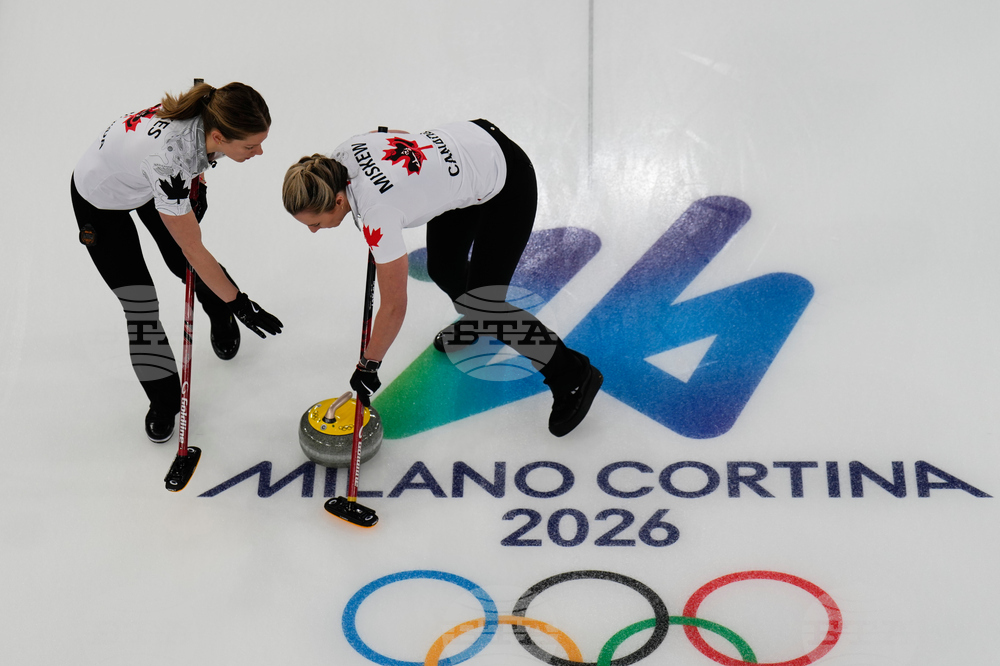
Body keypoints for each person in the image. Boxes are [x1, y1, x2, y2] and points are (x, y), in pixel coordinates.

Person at [281, 119, 601, 437]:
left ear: (338, 201)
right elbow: (402, 138)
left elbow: (394, 306)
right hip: (465, 156)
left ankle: (572, 374)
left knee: (485, 304)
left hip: (507, 180)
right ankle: (478, 321)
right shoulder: (340, 155)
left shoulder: (378, 214)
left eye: (316, 223)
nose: (313, 231)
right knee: (443, 268)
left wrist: (369, 365)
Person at [71, 81, 283, 443]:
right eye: (250, 145)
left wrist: (197, 185)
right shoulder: (168, 160)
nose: (260, 151)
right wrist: (241, 303)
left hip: (143, 180)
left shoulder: (208, 113)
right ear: (218, 135)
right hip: (100, 202)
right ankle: (164, 400)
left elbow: (192, 161)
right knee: (140, 302)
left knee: (181, 265)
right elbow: (194, 250)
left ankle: (219, 314)